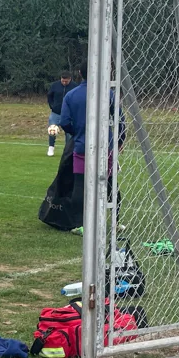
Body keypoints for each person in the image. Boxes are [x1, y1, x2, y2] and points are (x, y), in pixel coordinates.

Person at [54, 61, 124, 234]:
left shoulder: (71, 95)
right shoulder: (108, 93)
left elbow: (64, 122)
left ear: (79, 73)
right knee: (110, 183)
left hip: (82, 146)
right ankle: (115, 223)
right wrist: (120, 140)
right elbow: (120, 119)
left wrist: (77, 133)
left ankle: (80, 224)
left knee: (80, 185)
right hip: (104, 146)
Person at [47, 69, 73, 157]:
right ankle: (51, 148)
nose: (64, 83)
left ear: (70, 79)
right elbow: (49, 96)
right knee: (52, 130)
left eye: (66, 81)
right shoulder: (55, 85)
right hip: (56, 113)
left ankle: (67, 151)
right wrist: (52, 106)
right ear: (60, 79)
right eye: (63, 81)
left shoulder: (74, 86)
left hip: (69, 114)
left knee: (69, 133)